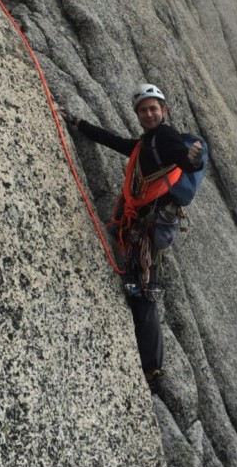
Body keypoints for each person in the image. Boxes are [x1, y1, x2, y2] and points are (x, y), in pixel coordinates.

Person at [59, 84, 203, 391]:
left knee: (143, 292)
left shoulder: (165, 136)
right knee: (139, 284)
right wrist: (78, 123)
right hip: (140, 225)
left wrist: (194, 160)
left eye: (153, 108)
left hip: (148, 230)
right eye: (143, 110)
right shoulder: (145, 144)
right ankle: (150, 359)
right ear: (137, 114)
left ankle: (152, 367)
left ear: (163, 111)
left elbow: (183, 159)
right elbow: (116, 142)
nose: (148, 114)